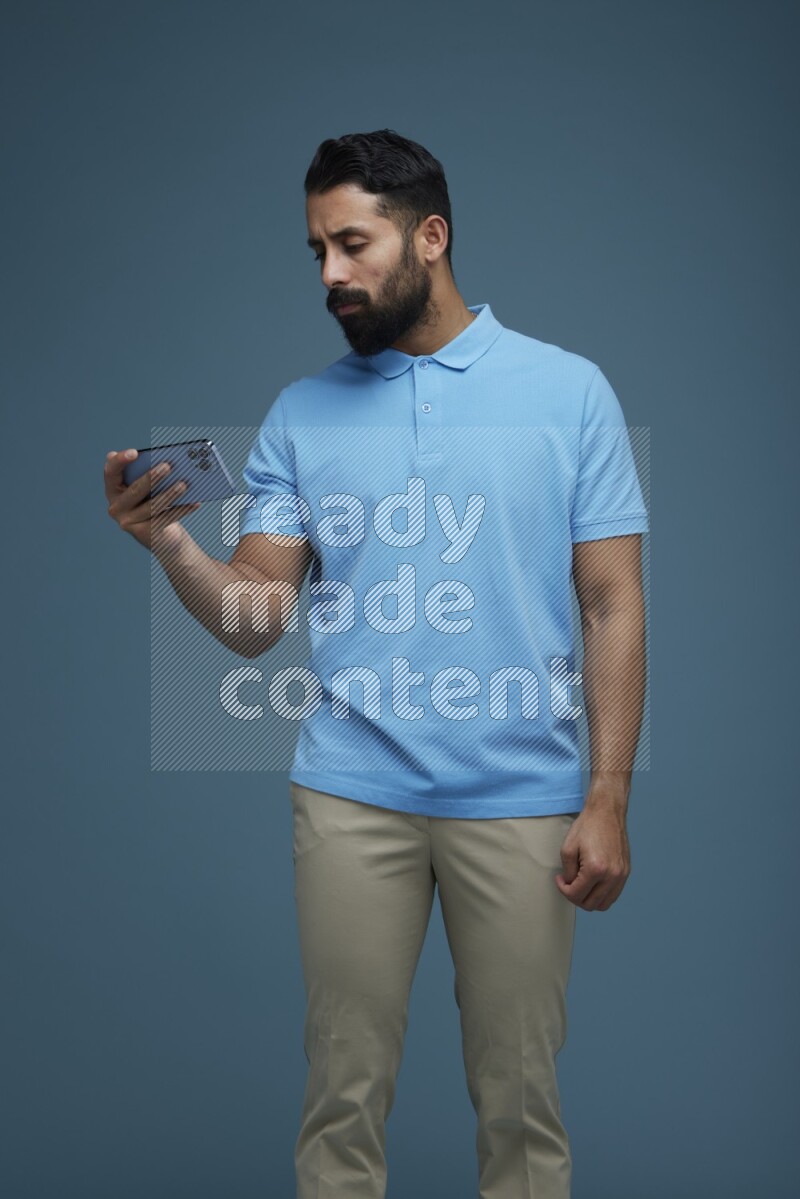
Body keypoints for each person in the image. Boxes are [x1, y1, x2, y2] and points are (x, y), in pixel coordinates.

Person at [104, 128, 649, 1199]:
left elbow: (610, 601)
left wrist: (608, 796)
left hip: (523, 797)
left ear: (429, 236)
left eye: (351, 243)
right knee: (342, 1095)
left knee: (522, 1101)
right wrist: (172, 545)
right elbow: (257, 616)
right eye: (317, 250)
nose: (330, 273)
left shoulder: (569, 391)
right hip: (351, 794)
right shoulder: (301, 414)